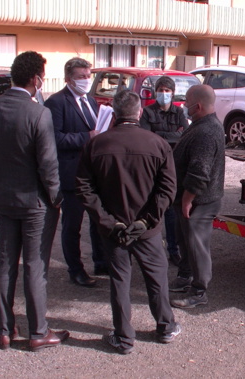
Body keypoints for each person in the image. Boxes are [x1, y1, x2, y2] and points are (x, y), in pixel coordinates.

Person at [0, 51, 69, 351]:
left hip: (3, 199)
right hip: (35, 203)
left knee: (5, 262)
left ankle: (5, 330)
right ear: (35, 78)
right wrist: (56, 198)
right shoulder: (39, 113)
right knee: (34, 264)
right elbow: (48, 165)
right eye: (42, 75)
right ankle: (38, 332)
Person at [76, 90, 181, 354]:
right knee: (156, 277)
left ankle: (124, 338)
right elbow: (168, 189)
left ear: (113, 112)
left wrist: (108, 222)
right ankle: (165, 327)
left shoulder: (96, 145)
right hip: (146, 229)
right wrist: (147, 221)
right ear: (140, 112)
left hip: (114, 230)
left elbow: (85, 188)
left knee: (120, 280)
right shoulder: (157, 144)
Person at [44, 57, 106, 288]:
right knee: (72, 226)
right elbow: (54, 138)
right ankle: (76, 269)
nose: (86, 81)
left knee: (99, 220)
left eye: (88, 76)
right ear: (68, 79)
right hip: (72, 175)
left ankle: (101, 262)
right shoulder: (56, 103)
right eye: (81, 77)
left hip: (94, 173)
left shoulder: (91, 101)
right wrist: (86, 137)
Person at [169, 84, 225, 309]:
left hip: (199, 201)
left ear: (198, 106)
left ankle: (199, 292)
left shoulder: (205, 131)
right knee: (186, 241)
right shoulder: (203, 125)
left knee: (196, 244)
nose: (184, 107)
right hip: (194, 199)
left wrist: (186, 200)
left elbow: (199, 172)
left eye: (187, 103)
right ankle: (186, 275)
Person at [139, 76, 189, 266]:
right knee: (151, 208)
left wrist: (158, 135)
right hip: (152, 168)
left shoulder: (178, 112)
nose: (164, 94)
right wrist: (170, 136)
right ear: (155, 92)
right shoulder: (147, 112)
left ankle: (173, 250)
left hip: (172, 167)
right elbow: (145, 136)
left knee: (170, 212)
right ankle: (148, 249)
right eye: (161, 90)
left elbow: (184, 133)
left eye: (168, 91)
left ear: (173, 93)